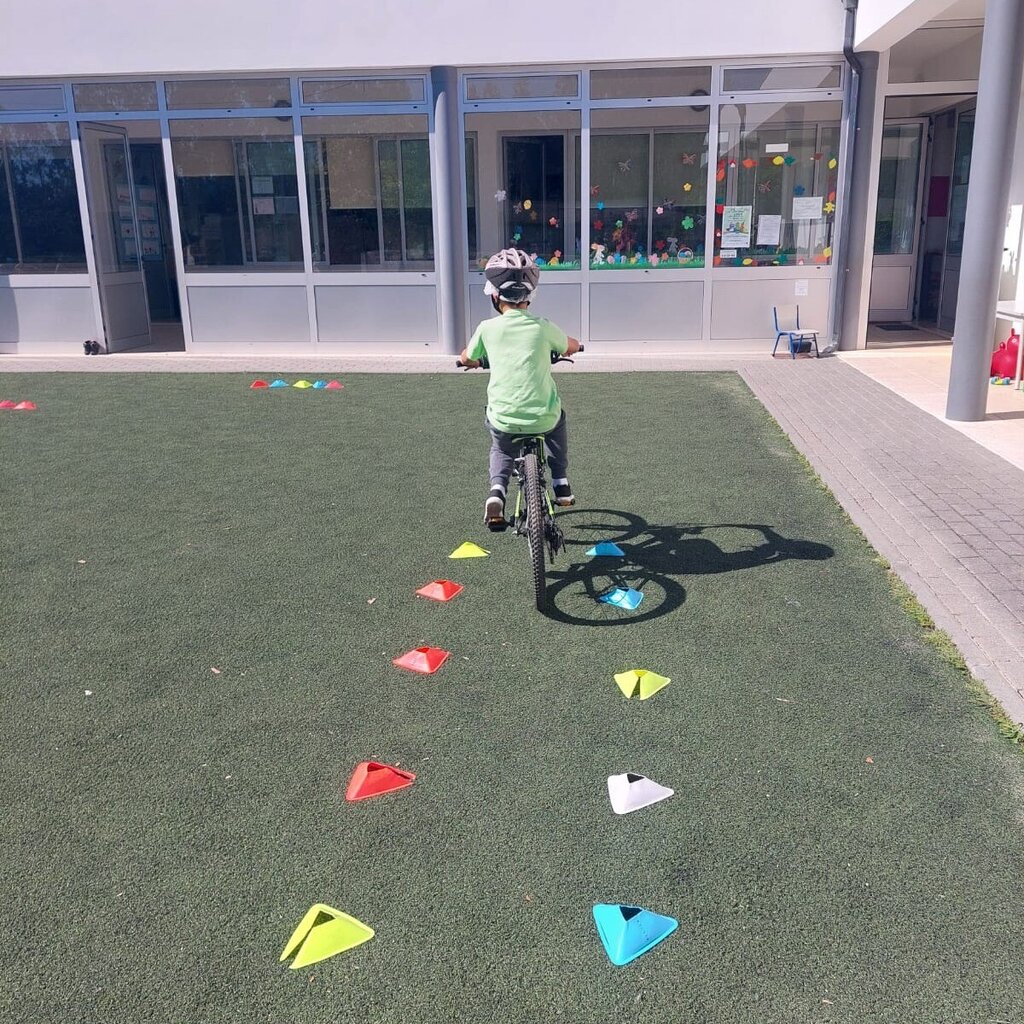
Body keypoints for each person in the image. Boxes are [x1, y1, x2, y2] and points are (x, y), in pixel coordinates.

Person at [459, 248, 582, 529]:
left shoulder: (487, 329)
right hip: (542, 416)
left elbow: (467, 356)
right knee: (557, 421)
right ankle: (561, 482)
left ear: (494, 296)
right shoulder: (542, 327)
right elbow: (569, 345)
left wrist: (471, 360)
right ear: (529, 296)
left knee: (501, 448)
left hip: (505, 418)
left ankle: (497, 492)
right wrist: (576, 346)